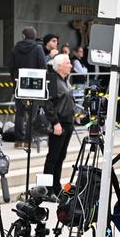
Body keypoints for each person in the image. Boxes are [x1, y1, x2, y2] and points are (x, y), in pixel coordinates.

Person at [8, 26, 47, 148]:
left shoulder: (15, 48)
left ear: (24, 36)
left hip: (20, 84)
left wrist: (15, 82)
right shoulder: (38, 48)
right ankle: (29, 139)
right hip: (35, 85)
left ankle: (19, 140)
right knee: (32, 113)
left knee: (19, 112)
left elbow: (11, 67)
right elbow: (43, 66)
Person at [43, 54, 76, 197]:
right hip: (59, 123)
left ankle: (56, 186)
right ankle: (47, 189)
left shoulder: (65, 80)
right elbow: (48, 103)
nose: (71, 65)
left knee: (61, 156)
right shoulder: (53, 80)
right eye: (68, 63)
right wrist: (55, 122)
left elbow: (67, 100)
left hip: (68, 122)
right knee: (53, 157)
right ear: (60, 66)